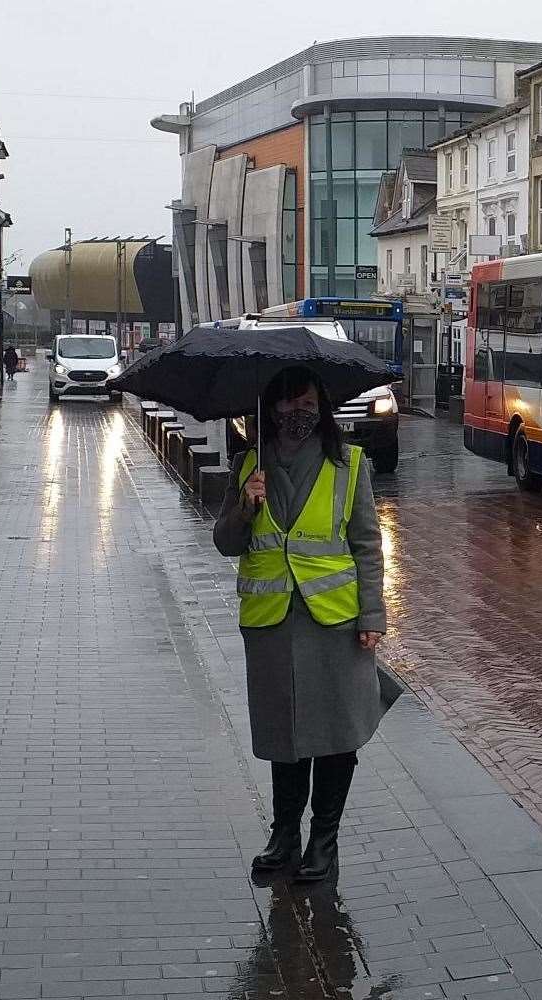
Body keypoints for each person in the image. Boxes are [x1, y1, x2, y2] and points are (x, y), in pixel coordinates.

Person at [213, 366, 397, 883]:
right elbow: (225, 542)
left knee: (336, 734)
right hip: (272, 623)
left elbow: (366, 545)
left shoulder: (349, 464)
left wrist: (372, 615)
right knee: (284, 734)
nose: (298, 413)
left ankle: (324, 840)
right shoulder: (249, 464)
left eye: (308, 402)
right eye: (288, 403)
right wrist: (245, 507)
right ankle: (284, 834)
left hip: (334, 622)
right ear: (269, 408)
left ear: (322, 407)